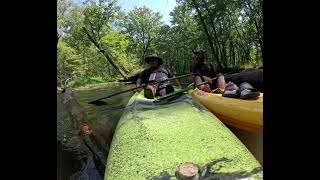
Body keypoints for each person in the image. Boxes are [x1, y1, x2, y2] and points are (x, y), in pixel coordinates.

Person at [191, 49, 260, 99]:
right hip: (203, 83)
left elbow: (214, 74)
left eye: (199, 54)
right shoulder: (196, 66)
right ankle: (204, 90)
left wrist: (218, 74)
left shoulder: (210, 65)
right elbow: (195, 74)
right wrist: (203, 76)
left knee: (221, 76)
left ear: (203, 55)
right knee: (198, 77)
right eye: (196, 55)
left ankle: (222, 90)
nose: (197, 56)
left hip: (211, 82)